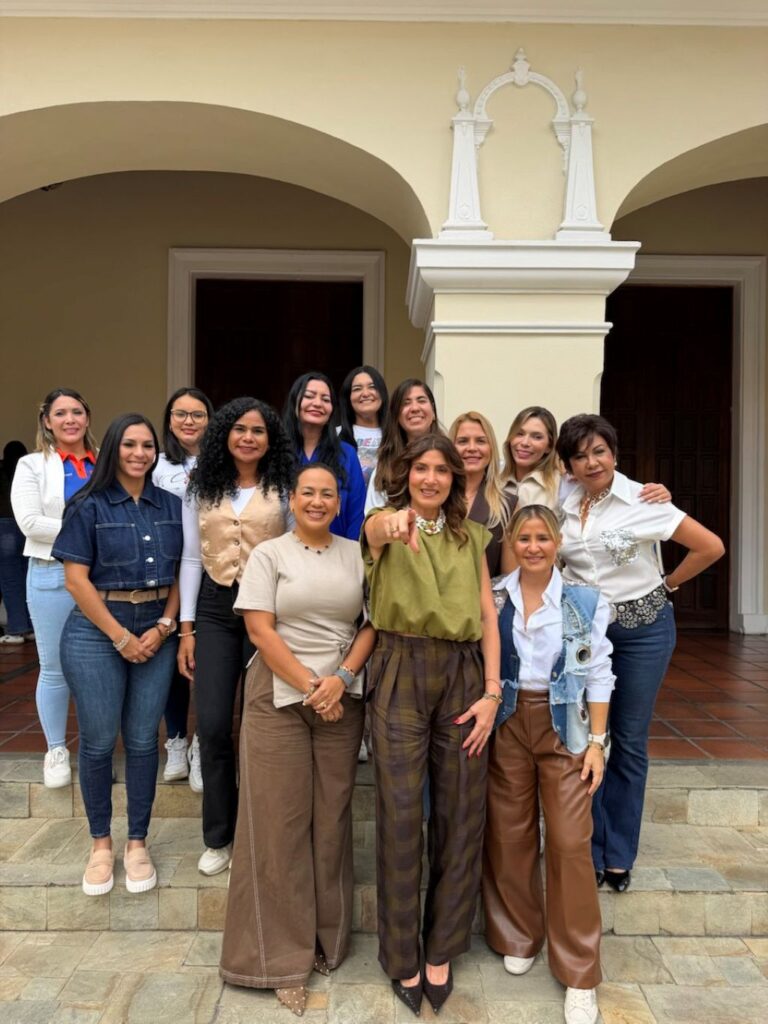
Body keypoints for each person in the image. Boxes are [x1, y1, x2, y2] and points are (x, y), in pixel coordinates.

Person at [220, 464, 376, 1017]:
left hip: (340, 697)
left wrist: (342, 680)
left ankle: (327, 940)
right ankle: (277, 961)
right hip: (278, 696)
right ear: (292, 498)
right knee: (277, 825)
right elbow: (259, 629)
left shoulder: (358, 554)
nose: (316, 501)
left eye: (327, 493)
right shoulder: (269, 554)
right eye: (307, 492)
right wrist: (313, 685)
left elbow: (371, 625)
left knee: (331, 821)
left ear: (339, 501)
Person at [363, 433, 500, 1018]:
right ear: (406, 472)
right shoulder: (384, 524)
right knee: (399, 814)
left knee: (461, 813)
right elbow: (377, 533)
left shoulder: (473, 537)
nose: (432, 478)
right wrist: (394, 524)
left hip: (464, 677)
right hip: (398, 668)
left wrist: (493, 692)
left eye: (443, 470)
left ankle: (442, 947)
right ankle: (402, 955)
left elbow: (488, 615)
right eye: (422, 467)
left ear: (454, 480)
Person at [556, 414, 725, 892]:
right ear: (568, 465)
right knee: (585, 737)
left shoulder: (644, 500)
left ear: (614, 453)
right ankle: (588, 849)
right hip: (585, 634)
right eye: (580, 456)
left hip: (643, 631)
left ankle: (618, 855)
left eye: (599, 452)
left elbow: (710, 547)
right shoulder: (563, 503)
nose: (592, 463)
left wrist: (668, 584)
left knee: (627, 739)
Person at [483, 505, 614, 1024]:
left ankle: (580, 972)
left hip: (566, 728)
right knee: (509, 833)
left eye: (542, 537)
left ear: (557, 542)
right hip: (508, 721)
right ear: (511, 543)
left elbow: (598, 671)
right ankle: (519, 934)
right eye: (524, 538)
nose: (533, 547)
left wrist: (597, 743)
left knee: (569, 841)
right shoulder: (495, 594)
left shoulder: (584, 599)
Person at [52, 413, 182, 897]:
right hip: (95, 632)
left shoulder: (172, 505)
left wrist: (165, 625)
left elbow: (182, 572)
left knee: (145, 740)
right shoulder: (87, 505)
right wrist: (121, 637)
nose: (139, 453)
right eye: (129, 444)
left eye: (147, 445)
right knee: (100, 740)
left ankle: (137, 842)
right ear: (112, 448)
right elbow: (75, 581)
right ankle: (101, 844)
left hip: (157, 630)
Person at [178, 397, 294, 877]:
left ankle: (261, 832)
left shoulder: (284, 486)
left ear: (271, 439)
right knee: (212, 723)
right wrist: (186, 627)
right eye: (240, 429)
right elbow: (190, 557)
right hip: (213, 607)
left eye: (258, 430)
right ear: (225, 433)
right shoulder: (201, 485)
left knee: (264, 725)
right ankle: (218, 835)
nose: (248, 438)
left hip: (269, 609)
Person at [11, 388, 98, 787]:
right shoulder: (31, 465)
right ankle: (56, 749)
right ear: (47, 421)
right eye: (60, 413)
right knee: (54, 667)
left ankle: (97, 751)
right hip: (51, 573)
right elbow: (30, 523)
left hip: (102, 577)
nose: (69, 420)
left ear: (87, 417)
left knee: (99, 667)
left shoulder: (104, 462)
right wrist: (92, 532)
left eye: (76, 412)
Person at [152, 386, 214, 790]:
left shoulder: (221, 462)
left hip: (208, 572)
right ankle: (176, 739)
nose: (189, 421)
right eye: (181, 414)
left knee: (207, 662)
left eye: (197, 414)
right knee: (172, 660)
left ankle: (202, 745)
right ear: (169, 419)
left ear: (210, 420)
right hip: (164, 572)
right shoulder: (155, 464)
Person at [282, 371, 366, 541]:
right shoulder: (277, 451)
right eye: (309, 396)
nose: (317, 403)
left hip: (337, 550)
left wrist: (353, 551)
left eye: (326, 400)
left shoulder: (346, 454)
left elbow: (356, 513)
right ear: (295, 402)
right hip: (284, 552)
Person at [449, 411, 517, 576]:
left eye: (480, 441)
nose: (472, 448)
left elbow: (509, 577)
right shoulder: (435, 498)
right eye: (463, 441)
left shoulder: (508, 504)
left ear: (491, 448)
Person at [365, 378, 441, 512]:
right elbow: (372, 516)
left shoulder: (450, 459)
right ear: (396, 416)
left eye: (421, 400)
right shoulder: (384, 468)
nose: (415, 408)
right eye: (406, 403)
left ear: (433, 411)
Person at [0, 441, 33, 645]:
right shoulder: (27, 471)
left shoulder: (2, 472)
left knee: (10, 581)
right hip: (26, 527)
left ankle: (17, 629)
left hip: (4, 526)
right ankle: (31, 627)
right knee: (28, 579)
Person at [338, 364, 390, 487]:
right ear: (348, 397)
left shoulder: (396, 434)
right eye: (357, 389)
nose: (365, 393)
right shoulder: (335, 435)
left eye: (372, 387)